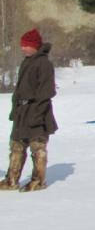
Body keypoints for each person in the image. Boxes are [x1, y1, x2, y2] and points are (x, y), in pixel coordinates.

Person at [0, 29, 58, 192]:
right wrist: (15, 109)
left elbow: (47, 92)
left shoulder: (43, 63)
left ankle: (38, 180)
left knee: (37, 147)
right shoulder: (27, 61)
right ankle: (11, 180)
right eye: (22, 45)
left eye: (26, 46)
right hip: (22, 112)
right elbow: (20, 90)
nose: (23, 49)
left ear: (34, 46)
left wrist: (37, 114)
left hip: (37, 112)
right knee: (16, 146)